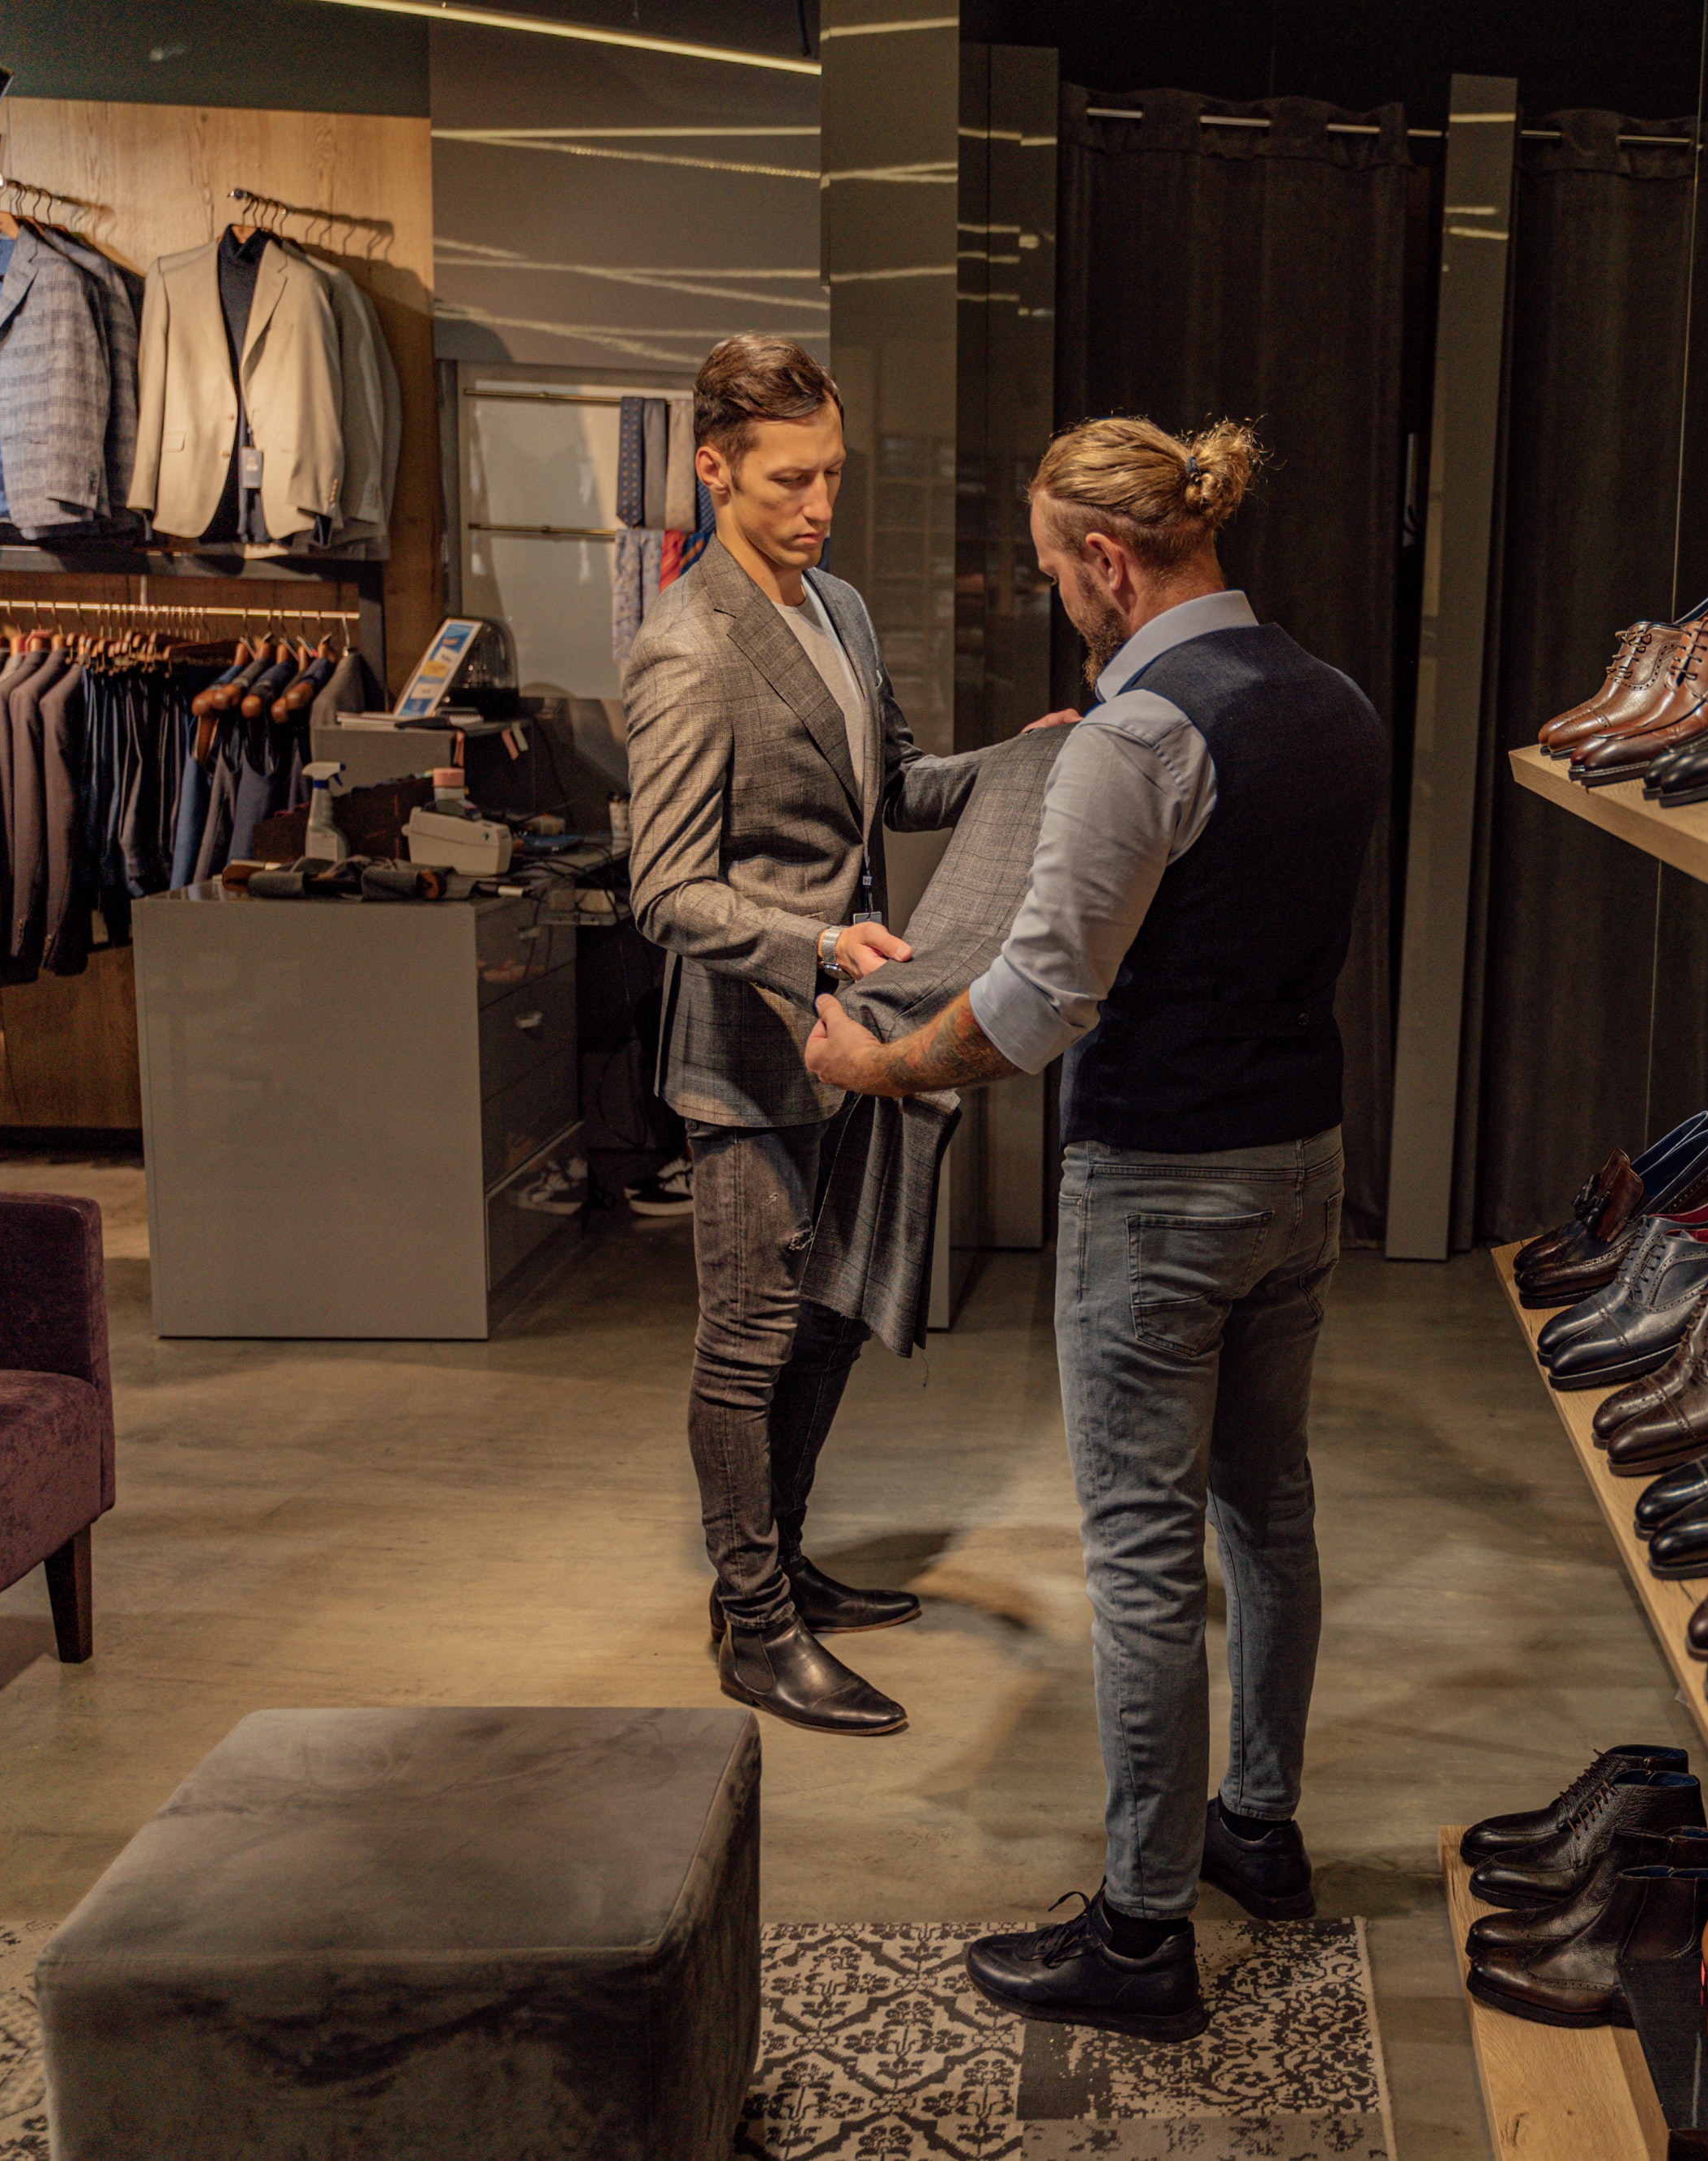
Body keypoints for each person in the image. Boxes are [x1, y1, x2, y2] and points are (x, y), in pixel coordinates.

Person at [805, 416, 1387, 2041]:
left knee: (1140, 1555)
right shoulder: (1331, 699)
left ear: (1109, 563)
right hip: (1301, 1163)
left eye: (1057, 573)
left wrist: (875, 1064)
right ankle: (1255, 1825)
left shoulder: (1137, 738)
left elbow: (1035, 1004)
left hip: (1160, 1184)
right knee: (1267, 1508)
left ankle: (1140, 1933)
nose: (1057, 598)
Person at [626, 334, 985, 1739]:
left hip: (852, 1043)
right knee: (748, 1343)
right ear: (713, 468)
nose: (819, 504)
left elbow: (898, 781)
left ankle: (781, 1565)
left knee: (828, 1321)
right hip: (747, 1056)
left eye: (831, 473)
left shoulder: (838, 606)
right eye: (789, 480)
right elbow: (666, 889)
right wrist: (821, 946)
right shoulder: (687, 647)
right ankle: (754, 1627)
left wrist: (1033, 758)